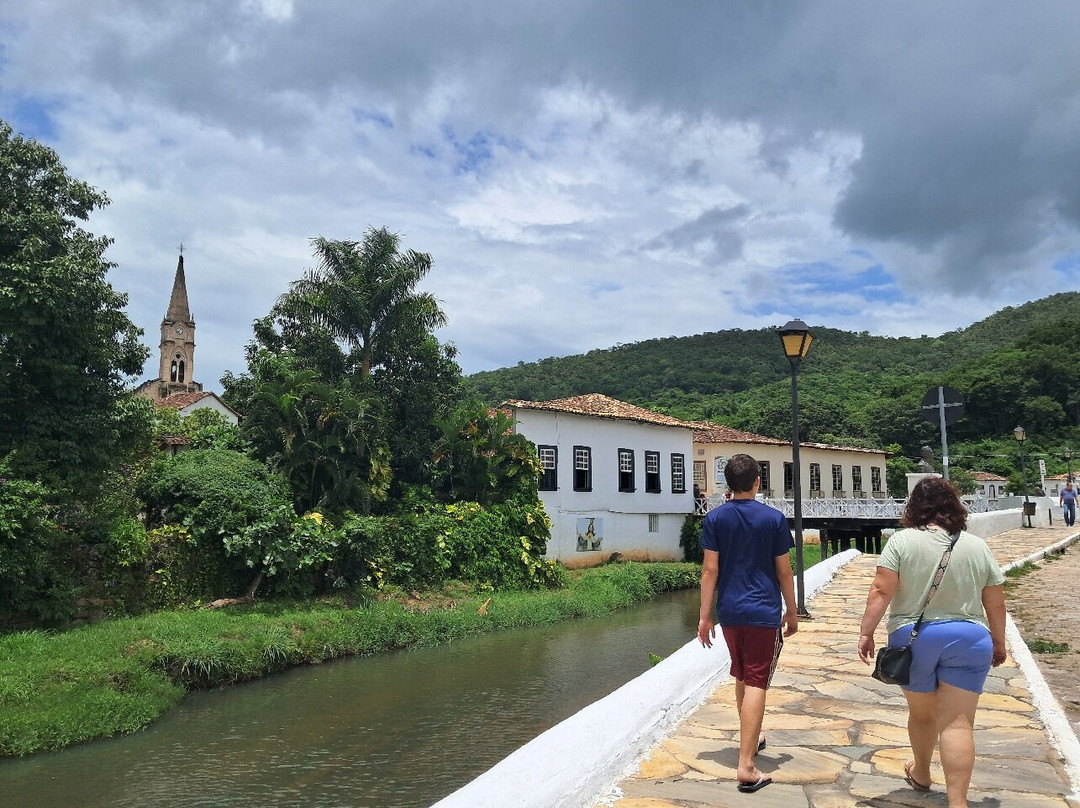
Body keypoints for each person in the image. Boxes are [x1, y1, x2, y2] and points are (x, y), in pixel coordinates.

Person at [858, 477, 1006, 807]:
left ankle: (922, 773)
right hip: (970, 638)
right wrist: (999, 641)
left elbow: (881, 590)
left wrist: (866, 632)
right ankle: (958, 802)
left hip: (914, 639)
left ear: (914, 506)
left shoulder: (902, 541)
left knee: (922, 715)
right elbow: (995, 602)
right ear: (954, 506)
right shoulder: (976, 546)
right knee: (958, 724)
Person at [697, 453, 798, 793]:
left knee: (742, 675)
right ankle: (747, 765)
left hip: (730, 612)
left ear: (728, 483)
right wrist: (792, 611)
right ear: (757, 481)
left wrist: (704, 616)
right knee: (756, 680)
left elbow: (710, 570)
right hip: (762, 611)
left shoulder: (715, 518)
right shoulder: (773, 519)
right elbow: (784, 571)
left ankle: (751, 740)